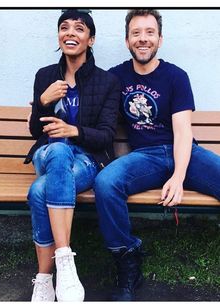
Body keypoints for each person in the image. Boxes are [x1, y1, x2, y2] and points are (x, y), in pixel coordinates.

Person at [94, 9, 220, 301]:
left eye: (149, 33)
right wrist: (42, 109)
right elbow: (89, 106)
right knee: (106, 183)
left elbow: (182, 131)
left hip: (184, 152)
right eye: (136, 33)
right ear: (127, 41)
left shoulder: (176, 76)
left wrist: (178, 176)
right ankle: (128, 260)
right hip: (145, 158)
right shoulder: (115, 77)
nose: (143, 39)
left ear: (160, 39)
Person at [24, 9, 120, 302]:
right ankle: (65, 260)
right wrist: (43, 101)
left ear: (90, 39)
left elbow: (106, 135)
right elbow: (34, 130)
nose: (70, 33)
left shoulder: (107, 82)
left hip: (88, 159)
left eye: (79, 29)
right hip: (49, 153)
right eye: (64, 27)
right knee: (57, 149)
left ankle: (44, 278)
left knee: (40, 190)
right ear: (58, 37)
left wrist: (72, 130)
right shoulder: (45, 76)